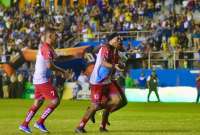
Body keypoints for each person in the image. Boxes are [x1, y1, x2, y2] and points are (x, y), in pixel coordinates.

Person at [19, 28, 69, 134]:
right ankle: (40, 122)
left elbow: (58, 58)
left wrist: (74, 57)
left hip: (38, 79)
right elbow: (50, 65)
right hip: (42, 80)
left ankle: (24, 124)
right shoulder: (46, 48)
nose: (57, 37)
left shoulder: (48, 47)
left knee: (38, 103)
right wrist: (62, 71)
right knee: (55, 100)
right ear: (50, 36)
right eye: (55, 35)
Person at [75, 33, 127, 133]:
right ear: (111, 40)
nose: (120, 40)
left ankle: (101, 122)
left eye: (120, 39)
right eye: (118, 39)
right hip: (98, 81)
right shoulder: (105, 48)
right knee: (96, 106)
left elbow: (117, 65)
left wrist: (120, 66)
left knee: (118, 101)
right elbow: (103, 63)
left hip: (108, 81)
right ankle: (80, 127)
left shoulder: (116, 51)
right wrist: (114, 66)